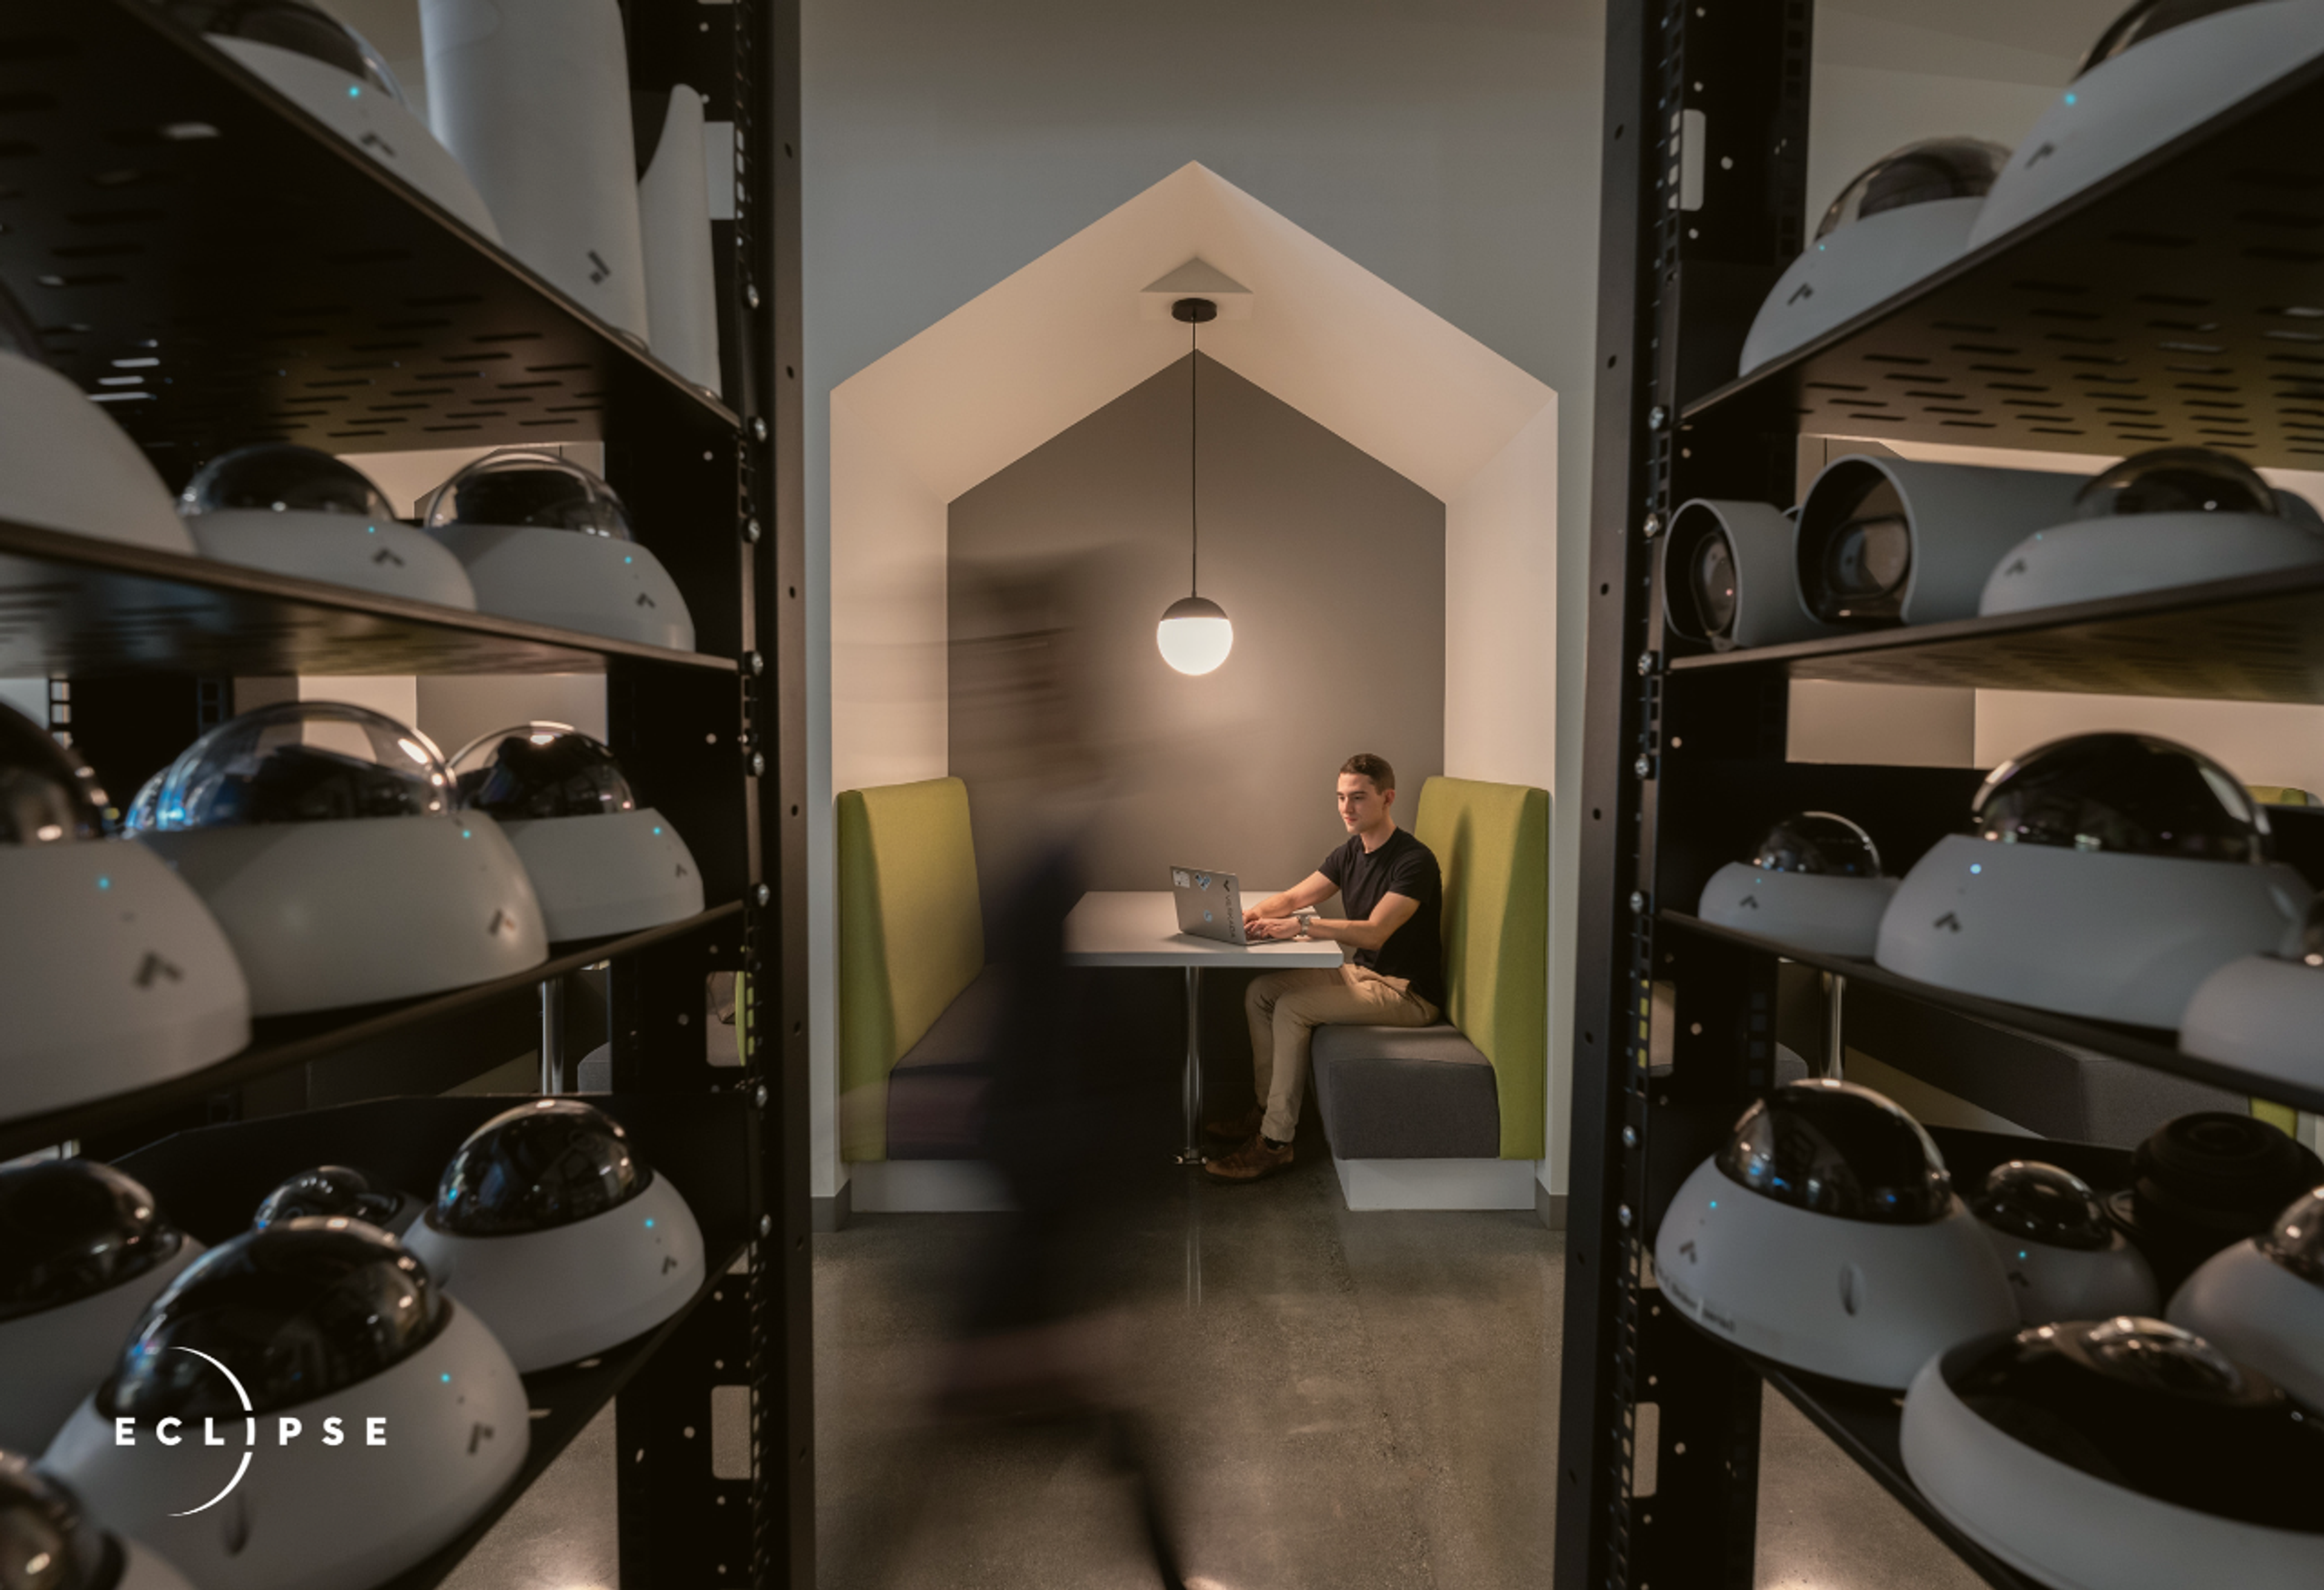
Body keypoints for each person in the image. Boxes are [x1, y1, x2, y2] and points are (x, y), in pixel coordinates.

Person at [1204, 752, 1444, 1182]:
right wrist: (1244, 918)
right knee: (1261, 992)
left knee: (1292, 1008)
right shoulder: (1351, 851)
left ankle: (1275, 1143)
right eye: (1340, 797)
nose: (1346, 808)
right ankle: (1266, 1111)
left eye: (1358, 797)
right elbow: (1293, 897)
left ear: (1388, 798)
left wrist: (1301, 926)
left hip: (1406, 992)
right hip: (1364, 976)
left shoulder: (1414, 861)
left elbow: (1375, 933)